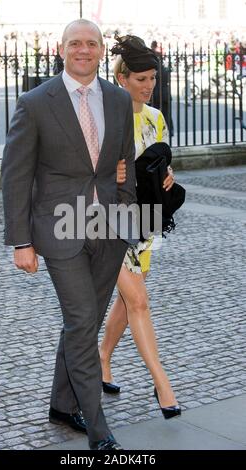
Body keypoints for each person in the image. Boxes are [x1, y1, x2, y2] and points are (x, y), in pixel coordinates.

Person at [2, 19, 137, 450]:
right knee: (82, 321)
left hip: (109, 227)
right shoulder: (36, 102)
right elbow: (16, 175)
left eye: (91, 43)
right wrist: (21, 241)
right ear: (61, 50)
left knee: (86, 322)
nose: (83, 50)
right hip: (59, 229)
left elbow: (126, 163)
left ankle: (63, 404)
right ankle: (98, 430)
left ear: (101, 51)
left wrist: (129, 215)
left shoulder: (118, 100)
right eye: (75, 43)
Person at [99, 34, 181, 419]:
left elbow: (158, 164)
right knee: (139, 300)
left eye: (153, 79)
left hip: (144, 221)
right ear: (122, 77)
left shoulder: (156, 118)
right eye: (141, 79)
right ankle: (162, 384)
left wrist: (168, 175)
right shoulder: (104, 116)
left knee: (127, 299)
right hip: (106, 220)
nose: (149, 86)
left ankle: (102, 357)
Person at [150, 41, 173, 136]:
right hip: (166, 93)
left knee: (155, 114)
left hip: (157, 94)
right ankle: (170, 130)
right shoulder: (164, 69)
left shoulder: (155, 70)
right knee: (166, 113)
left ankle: (158, 131)